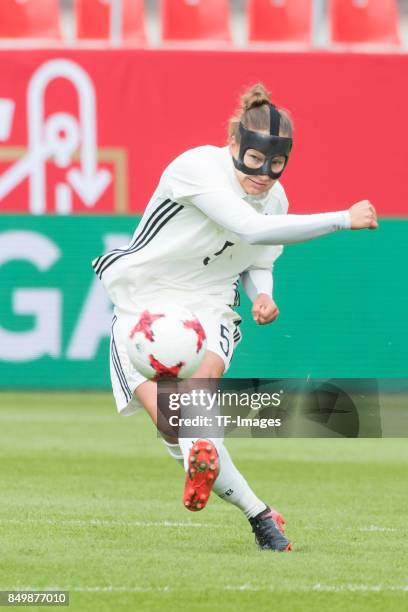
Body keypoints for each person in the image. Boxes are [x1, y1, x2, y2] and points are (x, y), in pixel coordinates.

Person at [92, 83, 378, 552]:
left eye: (276, 164)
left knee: (194, 399)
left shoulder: (276, 200)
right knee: (171, 422)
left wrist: (263, 293)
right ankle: (254, 505)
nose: (263, 174)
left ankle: (239, 497)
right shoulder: (197, 167)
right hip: (146, 298)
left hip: (210, 303)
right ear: (233, 146)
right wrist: (342, 218)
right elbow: (246, 226)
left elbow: (257, 256)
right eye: (253, 161)